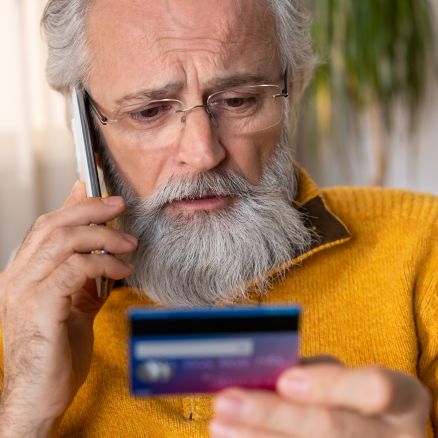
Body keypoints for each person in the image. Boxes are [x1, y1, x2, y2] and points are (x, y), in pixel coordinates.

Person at [0, 0, 436, 436]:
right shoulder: (27, 318)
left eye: (238, 100)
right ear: (86, 130)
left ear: (293, 89)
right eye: (149, 111)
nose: (204, 154)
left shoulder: (424, 248)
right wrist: (22, 417)